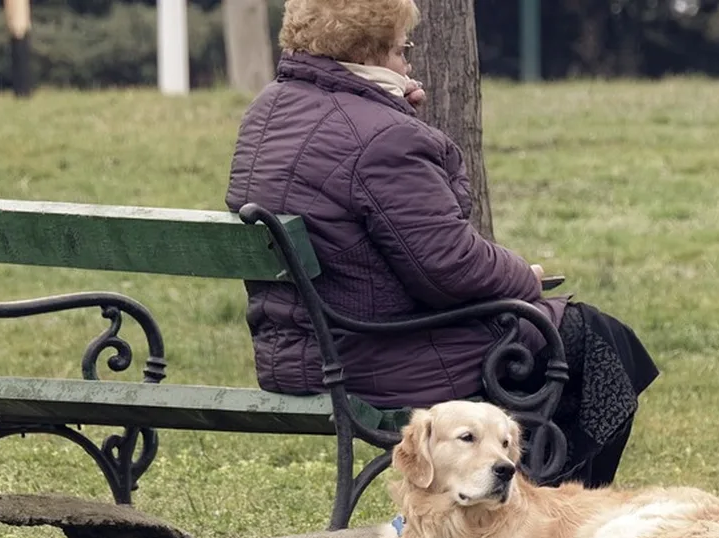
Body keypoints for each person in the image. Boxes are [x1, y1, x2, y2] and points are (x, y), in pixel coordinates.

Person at [224, 0, 658, 488]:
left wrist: (395, 115)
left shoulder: (270, 111)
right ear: (374, 52)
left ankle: (523, 507)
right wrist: (525, 277)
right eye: (402, 50)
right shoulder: (383, 137)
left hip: (300, 348)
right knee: (596, 338)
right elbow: (448, 267)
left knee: (574, 339)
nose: (407, 63)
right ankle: (554, 520)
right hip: (374, 355)